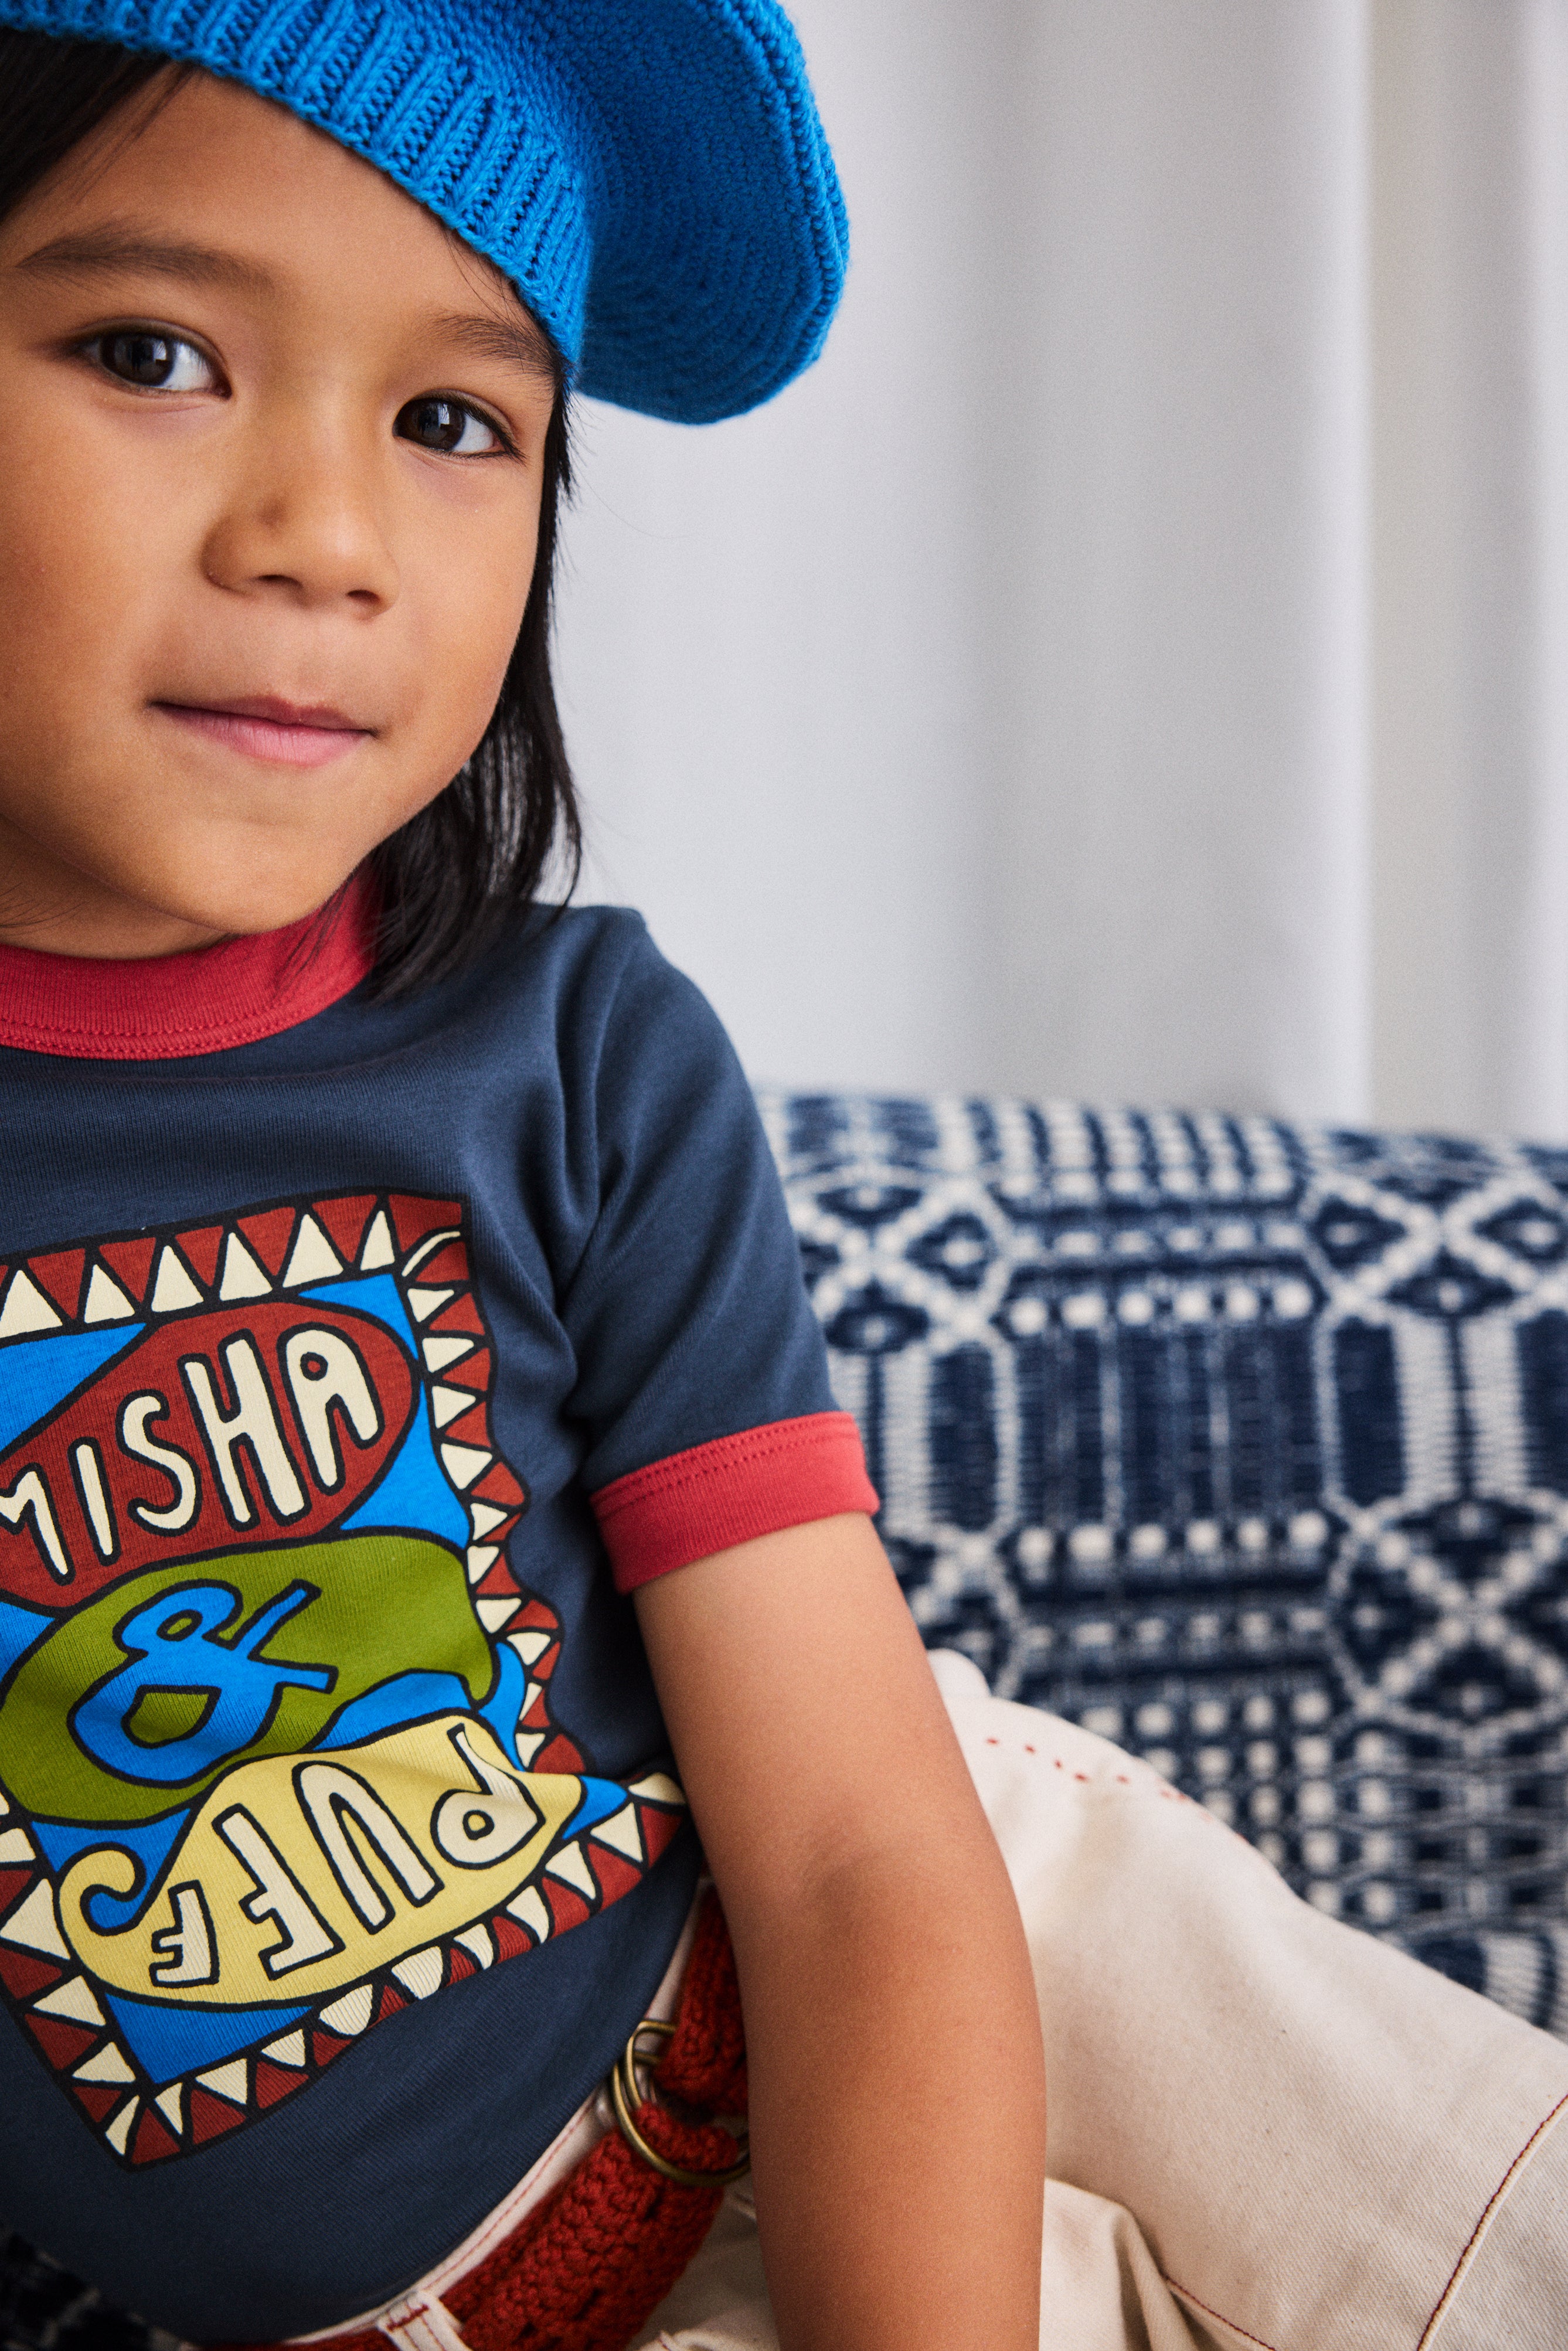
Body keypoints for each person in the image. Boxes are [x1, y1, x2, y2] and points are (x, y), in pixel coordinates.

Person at [0, 11, 1561, 2351]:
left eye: (453, 422)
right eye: (153, 353)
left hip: (962, 1941)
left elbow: (851, 1850)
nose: (321, 537)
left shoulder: (575, 1060)